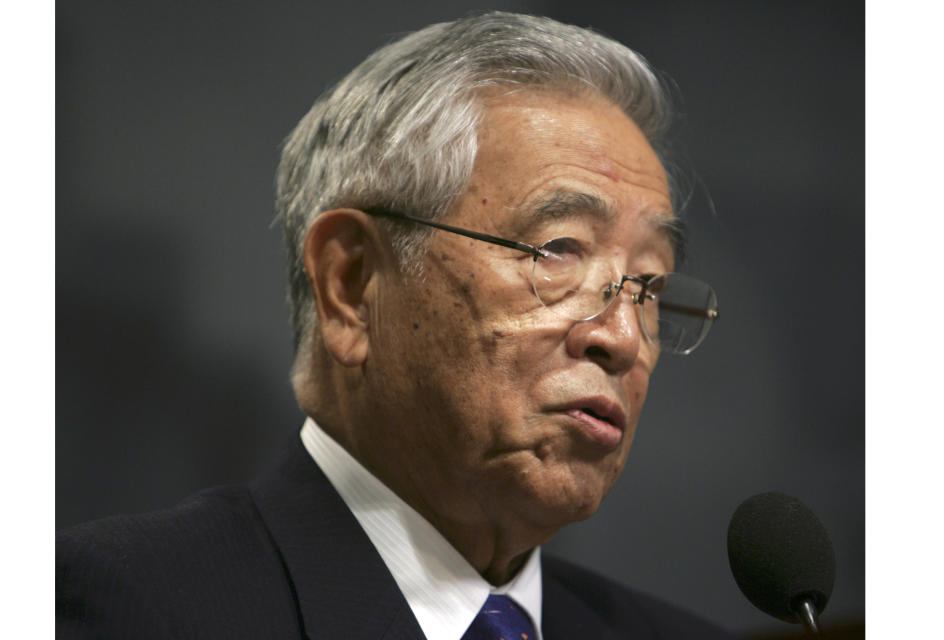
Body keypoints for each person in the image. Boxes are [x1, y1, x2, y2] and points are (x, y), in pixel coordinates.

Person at [57, 11, 727, 639]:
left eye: (649, 285)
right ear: (351, 286)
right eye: (558, 251)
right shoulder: (131, 607)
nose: (623, 338)